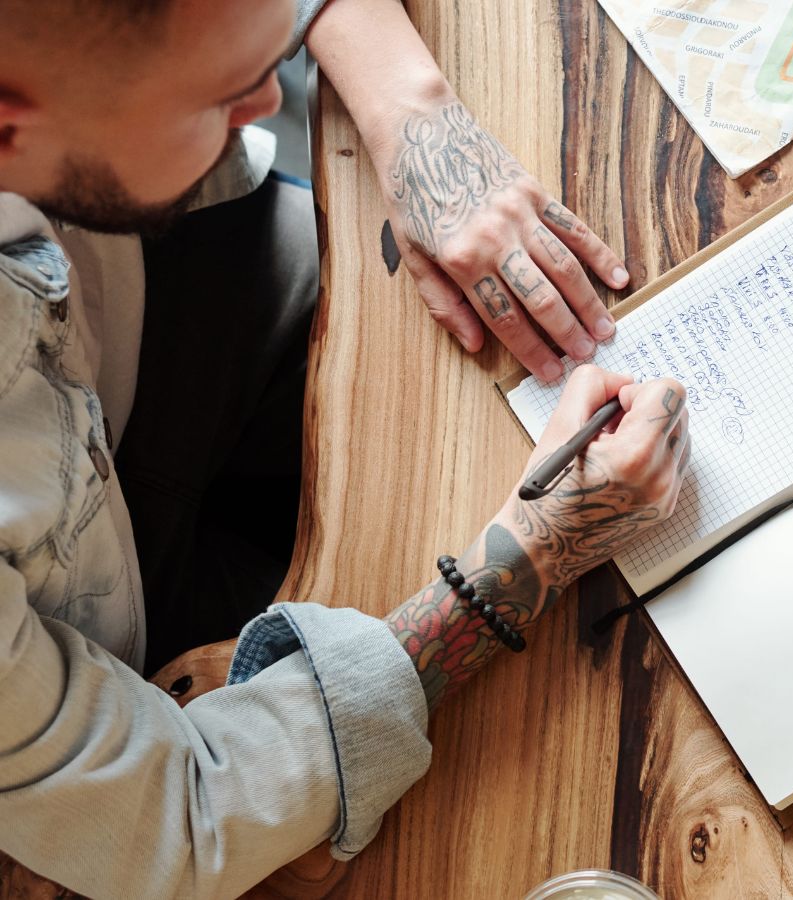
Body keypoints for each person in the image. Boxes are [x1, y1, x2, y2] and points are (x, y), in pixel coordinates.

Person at [0, 0, 688, 896]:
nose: (272, 99)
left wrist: (413, 119)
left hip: (157, 283)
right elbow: (174, 814)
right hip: (98, 665)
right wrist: (532, 553)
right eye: (222, 96)